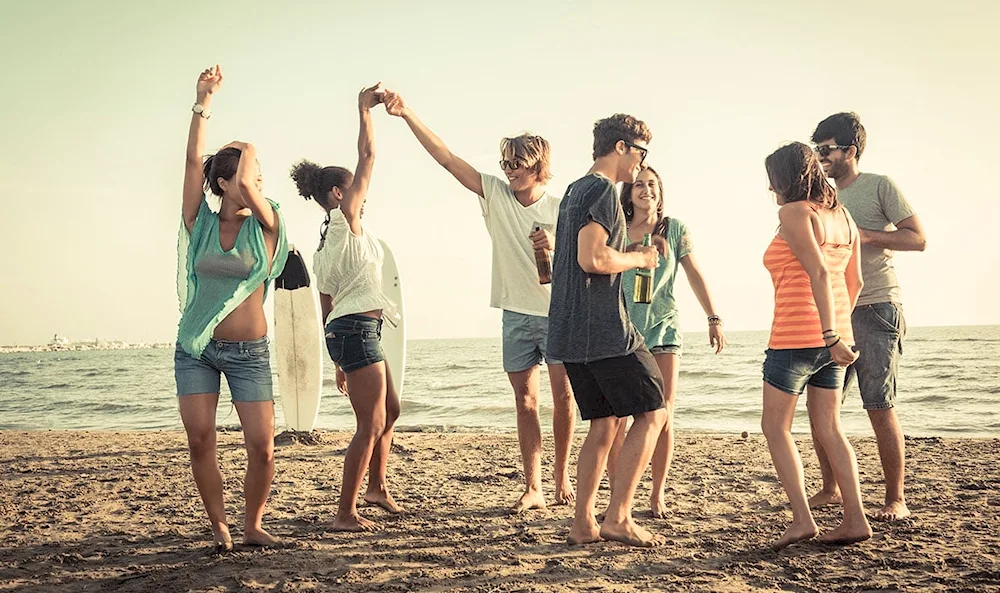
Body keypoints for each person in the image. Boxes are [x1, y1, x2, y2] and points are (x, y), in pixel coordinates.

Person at [381, 89, 576, 512]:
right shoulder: (495, 194)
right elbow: (447, 158)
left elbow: (585, 261)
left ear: (538, 166)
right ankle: (534, 486)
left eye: (516, 164)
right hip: (515, 315)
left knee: (564, 399)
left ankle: (562, 477)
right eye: (504, 163)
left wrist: (556, 245)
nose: (508, 171)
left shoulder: (563, 209)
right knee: (526, 401)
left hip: (557, 314)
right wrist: (406, 112)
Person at [174, 65, 288, 552]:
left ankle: (253, 522)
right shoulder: (198, 220)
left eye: (258, 178)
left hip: (249, 353)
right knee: (201, 440)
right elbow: (190, 165)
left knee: (262, 447)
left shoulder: (267, 222)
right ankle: (219, 524)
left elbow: (253, 186)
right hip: (197, 348)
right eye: (247, 177)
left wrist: (250, 148)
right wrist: (203, 102)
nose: (256, 184)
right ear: (223, 183)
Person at [548, 113, 667, 548]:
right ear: (620, 147)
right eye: (640, 152)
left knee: (604, 423)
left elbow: (587, 255)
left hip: (568, 330)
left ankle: (583, 524)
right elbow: (592, 260)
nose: (641, 163)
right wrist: (639, 259)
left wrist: (626, 251)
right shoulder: (601, 190)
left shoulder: (575, 190)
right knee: (654, 412)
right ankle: (617, 516)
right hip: (602, 329)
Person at [290, 83, 401, 532]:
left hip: (351, 332)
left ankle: (376, 487)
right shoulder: (345, 221)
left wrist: (336, 358)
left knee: (390, 410)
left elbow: (324, 302)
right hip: (356, 329)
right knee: (369, 423)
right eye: (354, 189)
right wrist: (364, 110)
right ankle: (345, 512)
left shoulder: (327, 241)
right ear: (339, 193)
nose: (362, 193)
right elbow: (368, 157)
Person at [809, 112, 926, 521]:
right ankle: (830, 489)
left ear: (850, 151)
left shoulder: (879, 186)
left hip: (877, 307)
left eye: (826, 149)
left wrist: (863, 235)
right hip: (835, 312)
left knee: (878, 403)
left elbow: (917, 238)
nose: (820, 156)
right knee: (822, 406)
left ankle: (896, 497)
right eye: (816, 150)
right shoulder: (822, 196)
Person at [760, 142, 871, 549]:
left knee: (775, 427)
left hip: (797, 337)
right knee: (829, 428)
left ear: (785, 177)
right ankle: (855, 519)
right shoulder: (843, 216)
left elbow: (820, 273)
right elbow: (853, 282)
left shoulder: (793, 212)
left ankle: (803, 520)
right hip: (835, 339)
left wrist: (826, 332)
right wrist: (839, 329)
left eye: (772, 178)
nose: (768, 187)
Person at [606, 164, 727, 518]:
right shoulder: (617, 231)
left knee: (663, 414)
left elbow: (694, 274)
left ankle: (657, 494)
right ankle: (619, 496)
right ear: (628, 193)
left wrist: (713, 317)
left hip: (663, 329)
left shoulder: (675, 230)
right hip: (624, 331)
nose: (647, 190)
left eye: (652, 184)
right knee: (619, 418)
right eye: (639, 184)